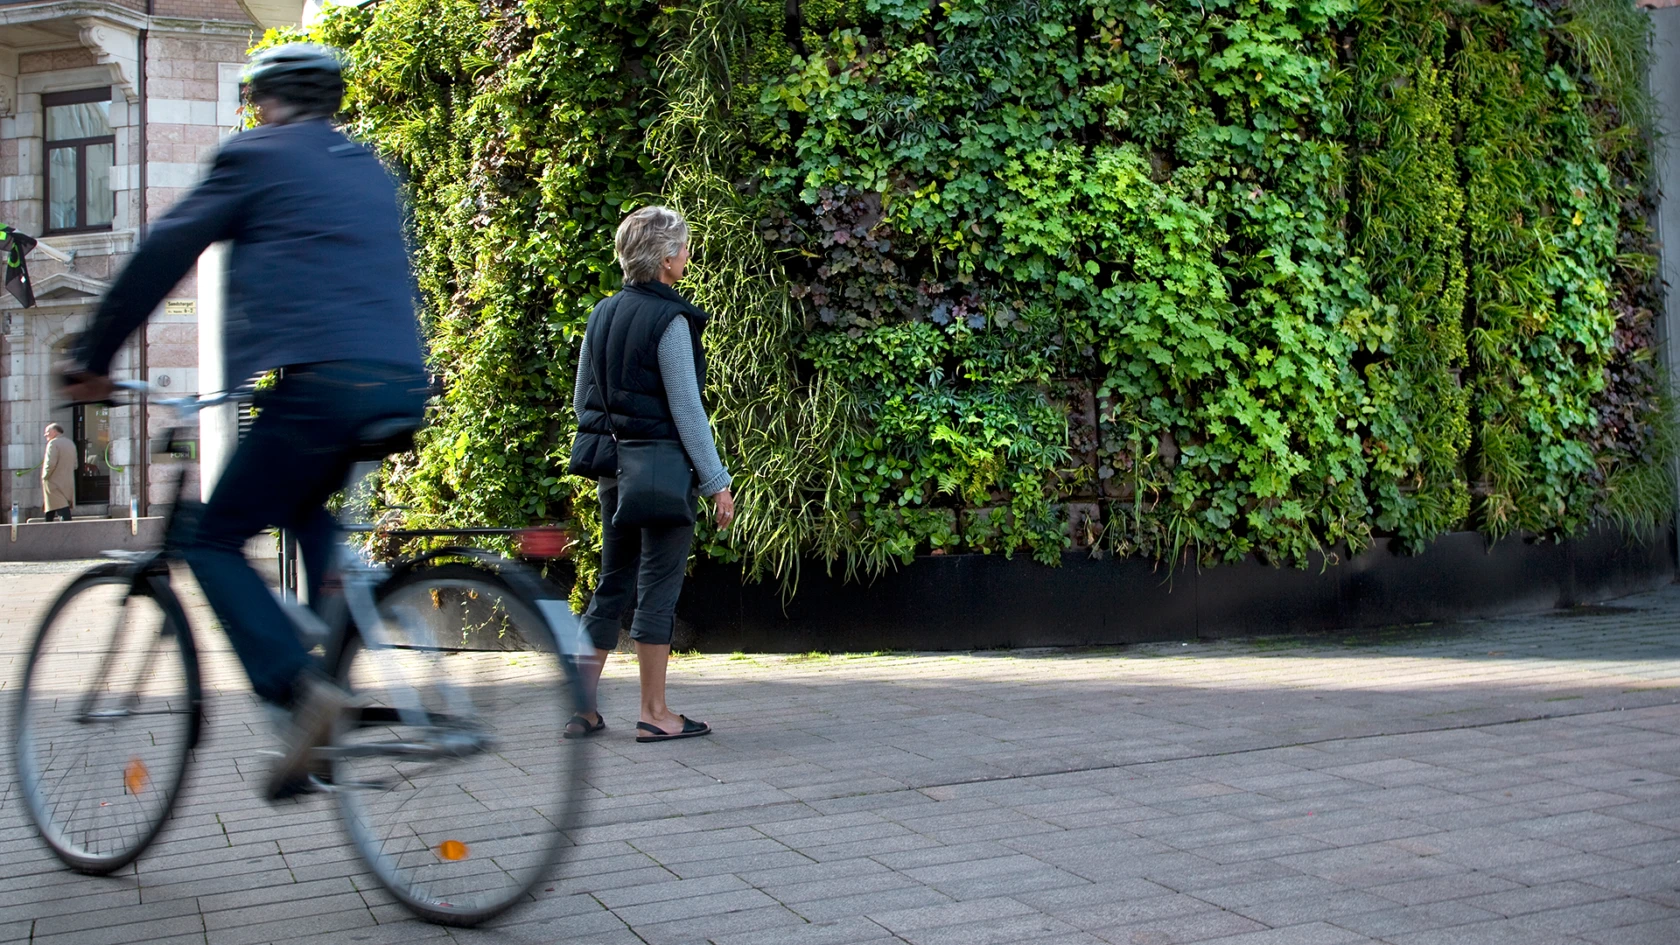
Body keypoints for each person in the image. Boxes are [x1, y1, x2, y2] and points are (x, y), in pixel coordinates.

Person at [60, 43, 429, 799]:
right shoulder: (367, 166)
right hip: (397, 378)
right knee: (300, 498)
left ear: (266, 101)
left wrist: (95, 352)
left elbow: (165, 250)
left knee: (213, 535)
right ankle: (337, 648)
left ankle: (300, 696)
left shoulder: (255, 156)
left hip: (321, 380)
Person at [568, 205, 735, 743]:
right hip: (661, 471)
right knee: (658, 587)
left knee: (612, 583)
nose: (688, 256)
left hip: (615, 470)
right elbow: (688, 410)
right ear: (667, 260)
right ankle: (655, 713)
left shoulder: (602, 314)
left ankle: (584, 711)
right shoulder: (672, 319)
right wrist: (716, 481)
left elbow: (581, 401)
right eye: (684, 248)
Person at [40, 423, 75, 522]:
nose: (45, 435)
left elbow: (50, 464)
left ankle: (61, 532)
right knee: (52, 507)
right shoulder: (70, 443)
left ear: (54, 432)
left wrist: (45, 476)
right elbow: (75, 464)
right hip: (67, 481)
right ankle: (47, 529)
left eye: (47, 432)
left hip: (53, 482)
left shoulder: (53, 444)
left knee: (59, 507)